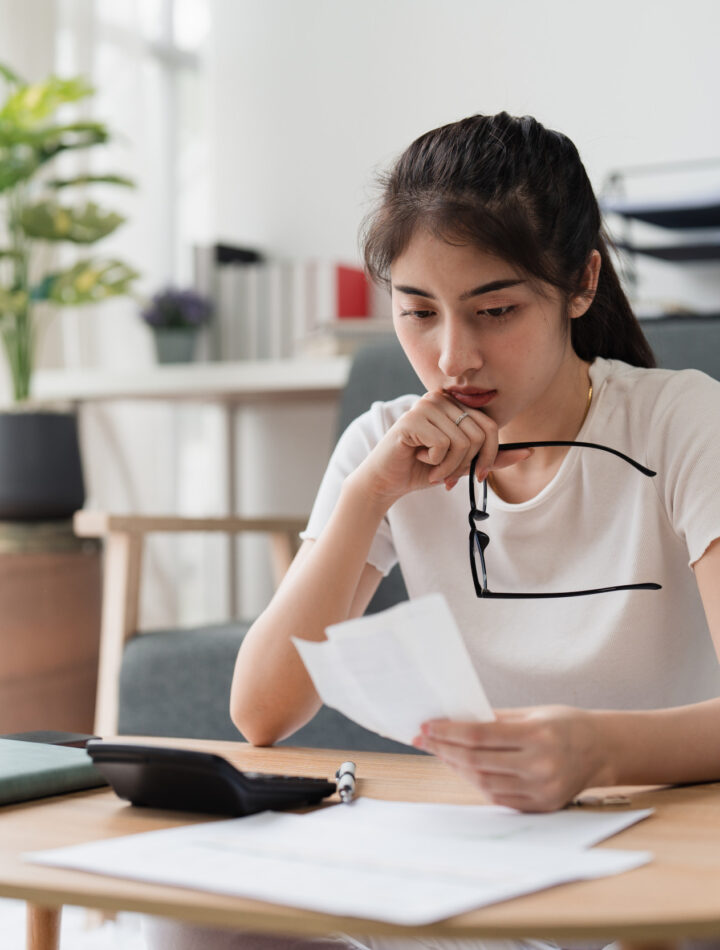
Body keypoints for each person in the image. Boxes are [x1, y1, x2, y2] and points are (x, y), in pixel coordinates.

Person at [146, 112, 720, 950]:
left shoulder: (683, 423)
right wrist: (368, 496)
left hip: (657, 854)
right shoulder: (386, 444)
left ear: (582, 283)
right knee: (190, 930)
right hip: (475, 860)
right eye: (418, 312)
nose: (454, 358)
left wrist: (599, 750)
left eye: (495, 310)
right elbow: (260, 714)